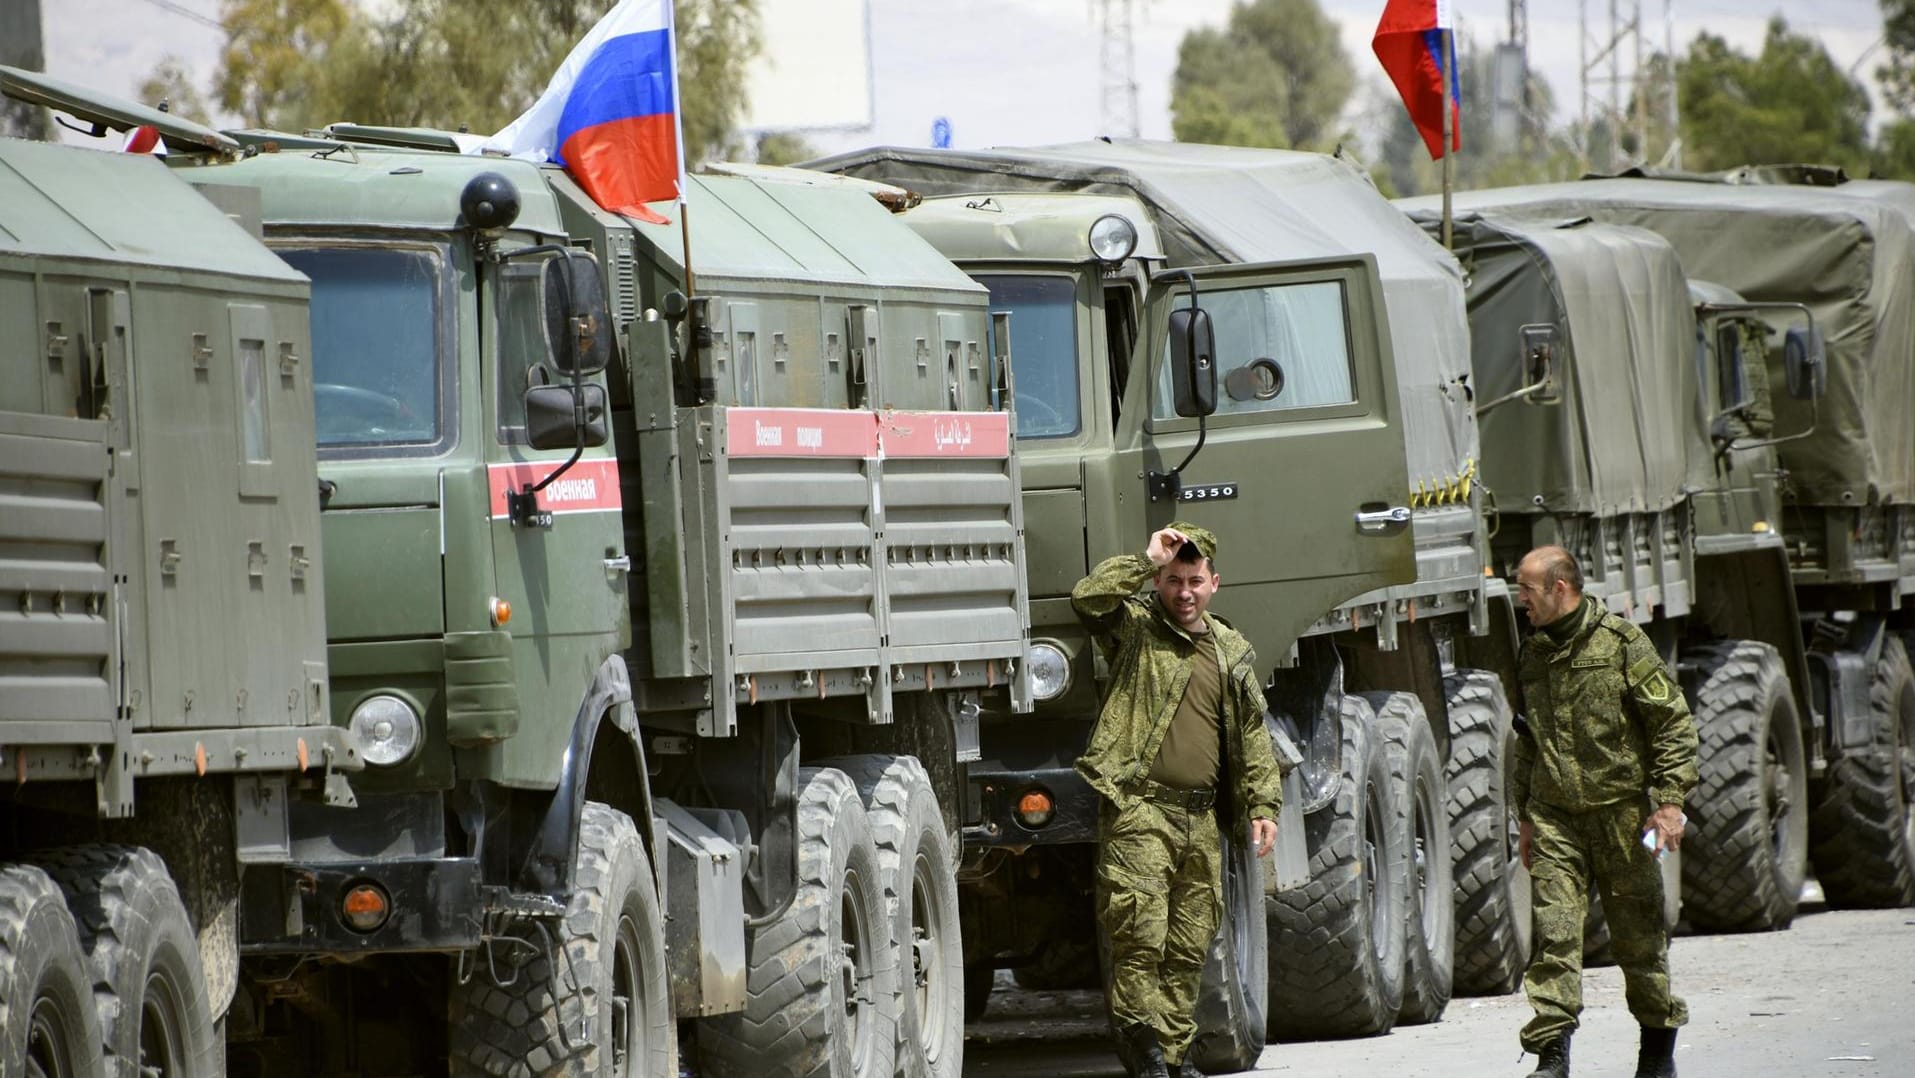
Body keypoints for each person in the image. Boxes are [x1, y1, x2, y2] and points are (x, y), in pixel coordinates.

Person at [1072, 522, 1283, 1078]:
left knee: (1189, 945)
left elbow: (1253, 734)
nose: (1183, 593)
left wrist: (1263, 805)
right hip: (1141, 811)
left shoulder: (1231, 649)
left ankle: (1171, 1055)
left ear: (1214, 583)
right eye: (1171, 581)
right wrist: (1145, 560)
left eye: (1193, 581)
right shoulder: (1138, 629)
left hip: (1200, 818)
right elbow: (1089, 599)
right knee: (1139, 938)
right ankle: (1145, 1057)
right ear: (1158, 583)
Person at [1510, 546, 1698, 1078]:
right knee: (1555, 934)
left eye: (1527, 589)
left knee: (1640, 941)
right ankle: (1552, 1058)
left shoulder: (1622, 643)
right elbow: (1529, 741)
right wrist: (1524, 815)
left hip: (1621, 818)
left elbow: (1672, 725)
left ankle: (1656, 1056)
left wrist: (1668, 803)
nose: (1520, 599)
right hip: (1555, 820)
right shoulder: (1533, 653)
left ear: (1560, 587)